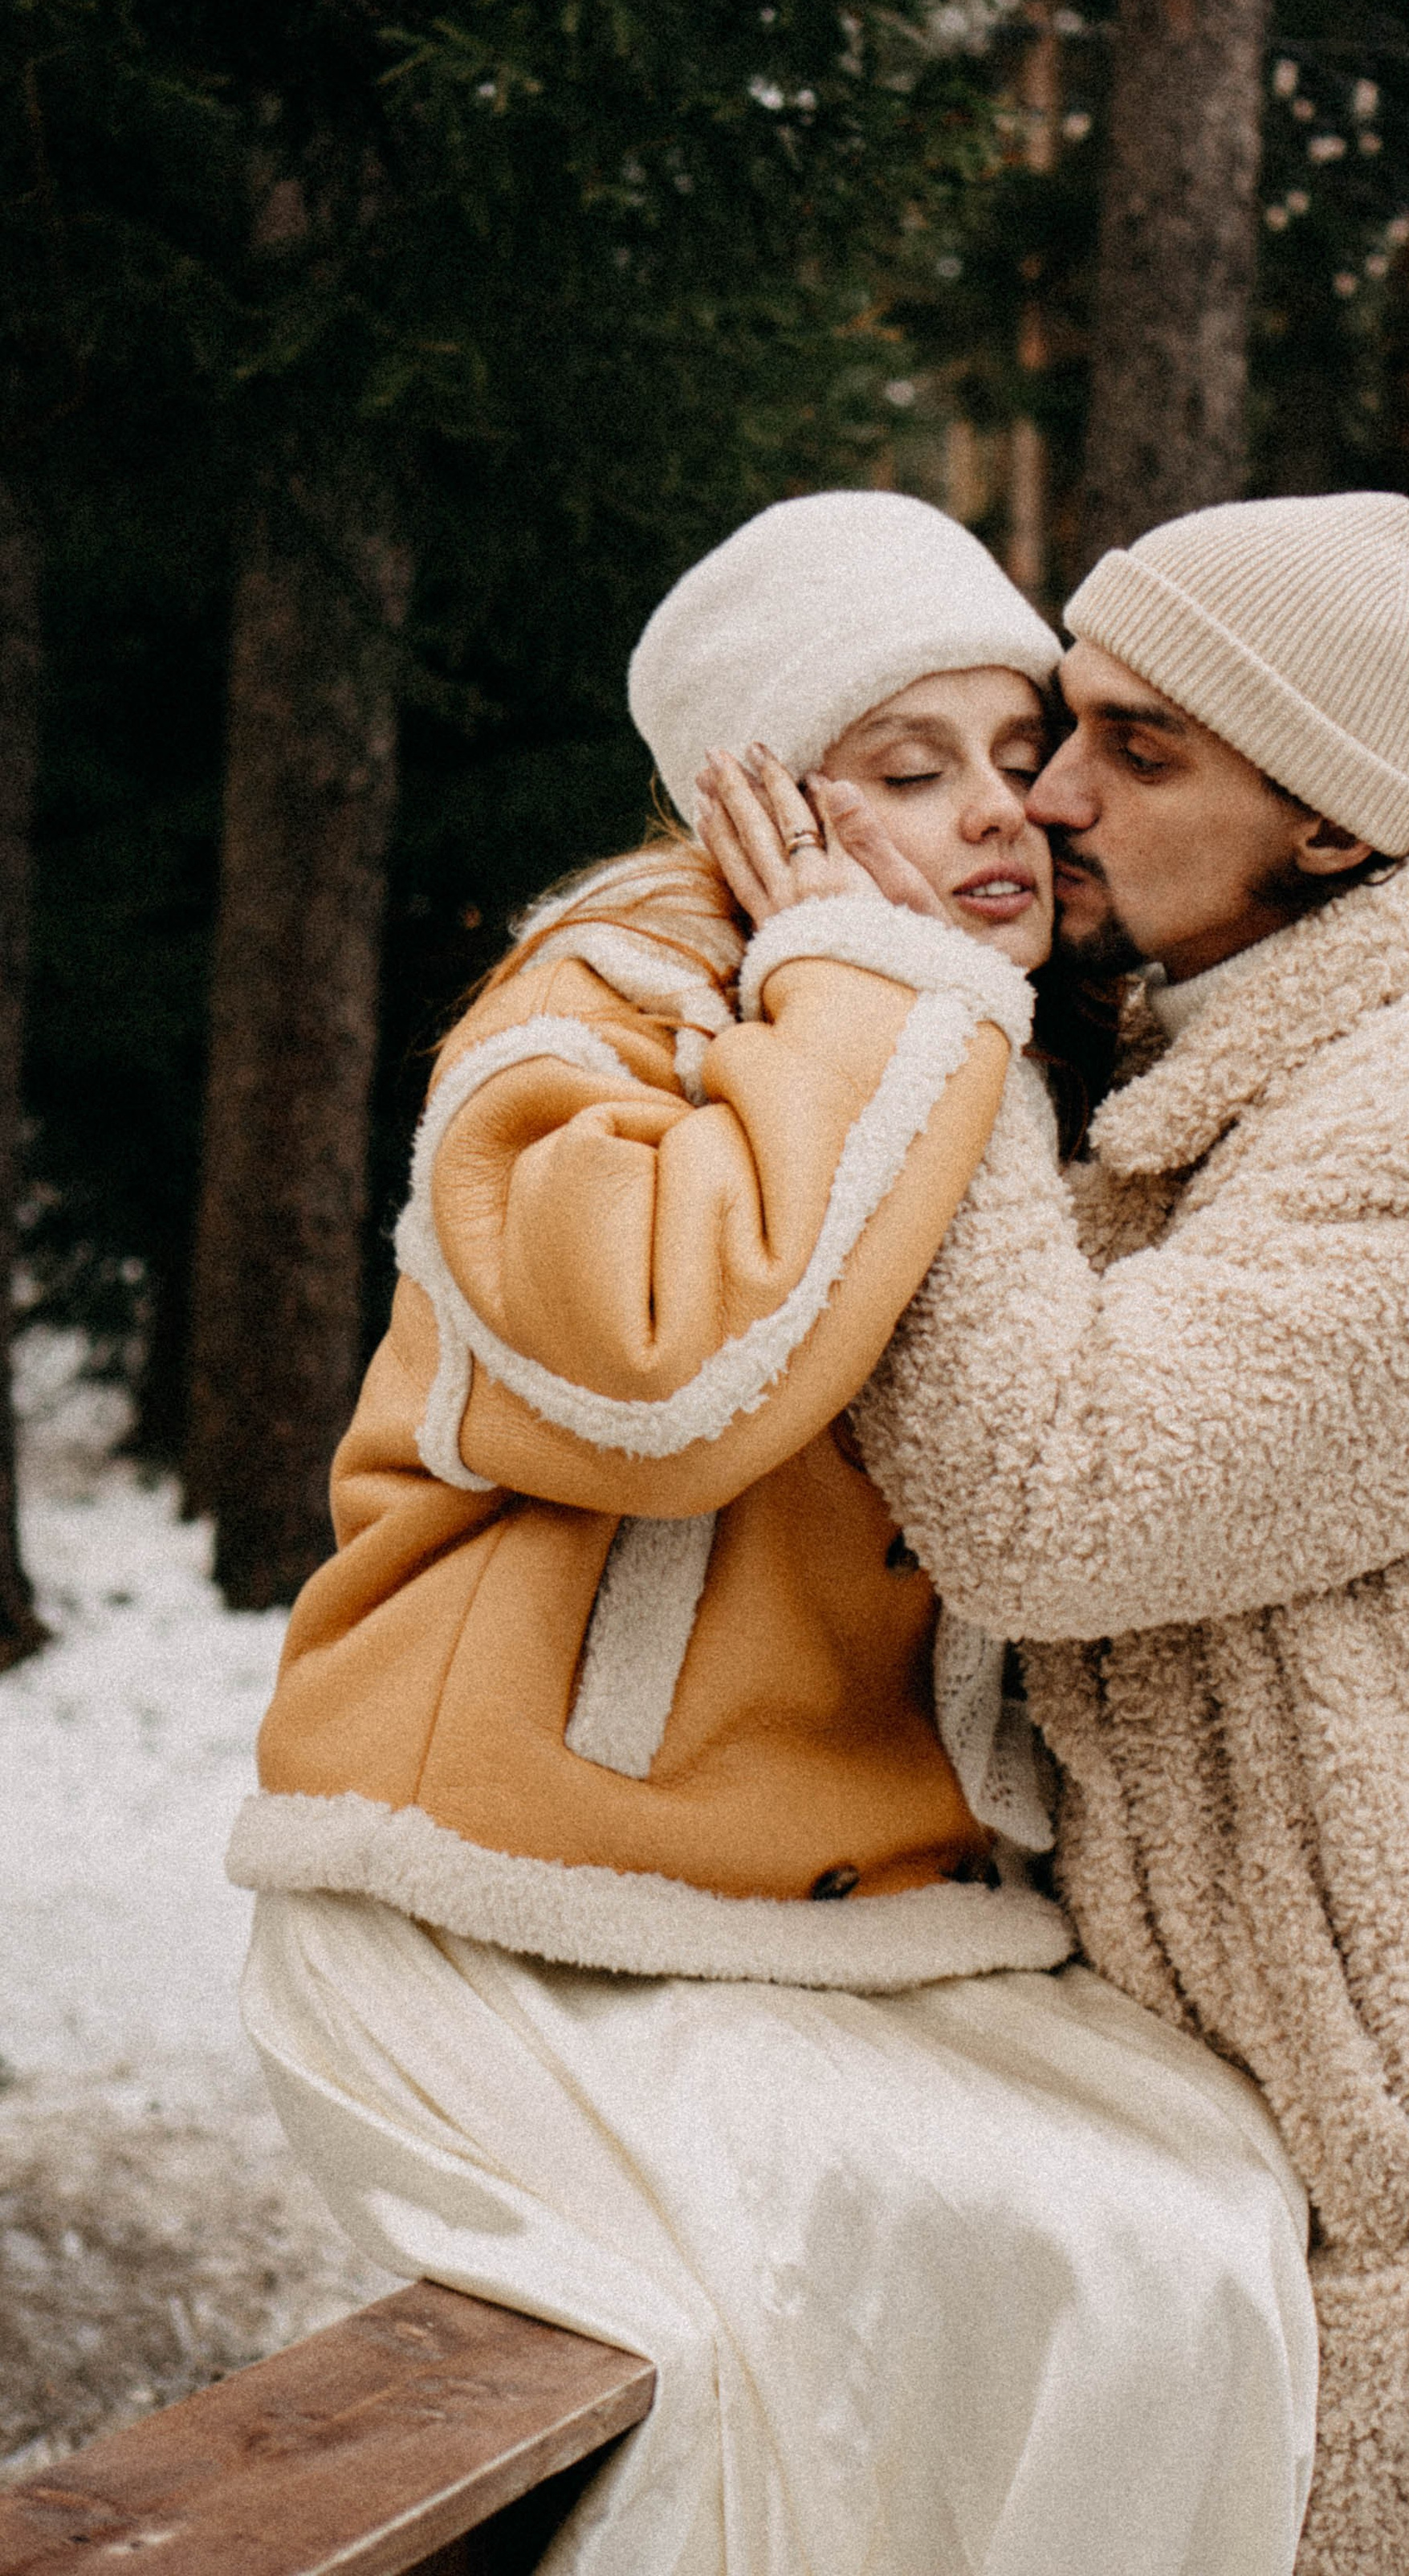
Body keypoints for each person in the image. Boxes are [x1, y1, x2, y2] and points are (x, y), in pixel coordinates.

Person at [228, 490, 1317, 2576]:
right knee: (971, 2296)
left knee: (1210, 2221)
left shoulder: (980, 1033)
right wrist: (870, 983)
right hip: (516, 1905)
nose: (999, 813)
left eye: (1018, 755)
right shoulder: (594, 1007)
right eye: (905, 769)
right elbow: (665, 1371)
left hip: (848, 1923)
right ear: (750, 804)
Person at [819, 491, 1409, 2576]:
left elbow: (1051, 1501)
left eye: (1140, 751)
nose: (1052, 797)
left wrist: (917, 998)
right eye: (1068, 722)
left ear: (1330, 825)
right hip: (1309, 2106)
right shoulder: (1279, 1068)